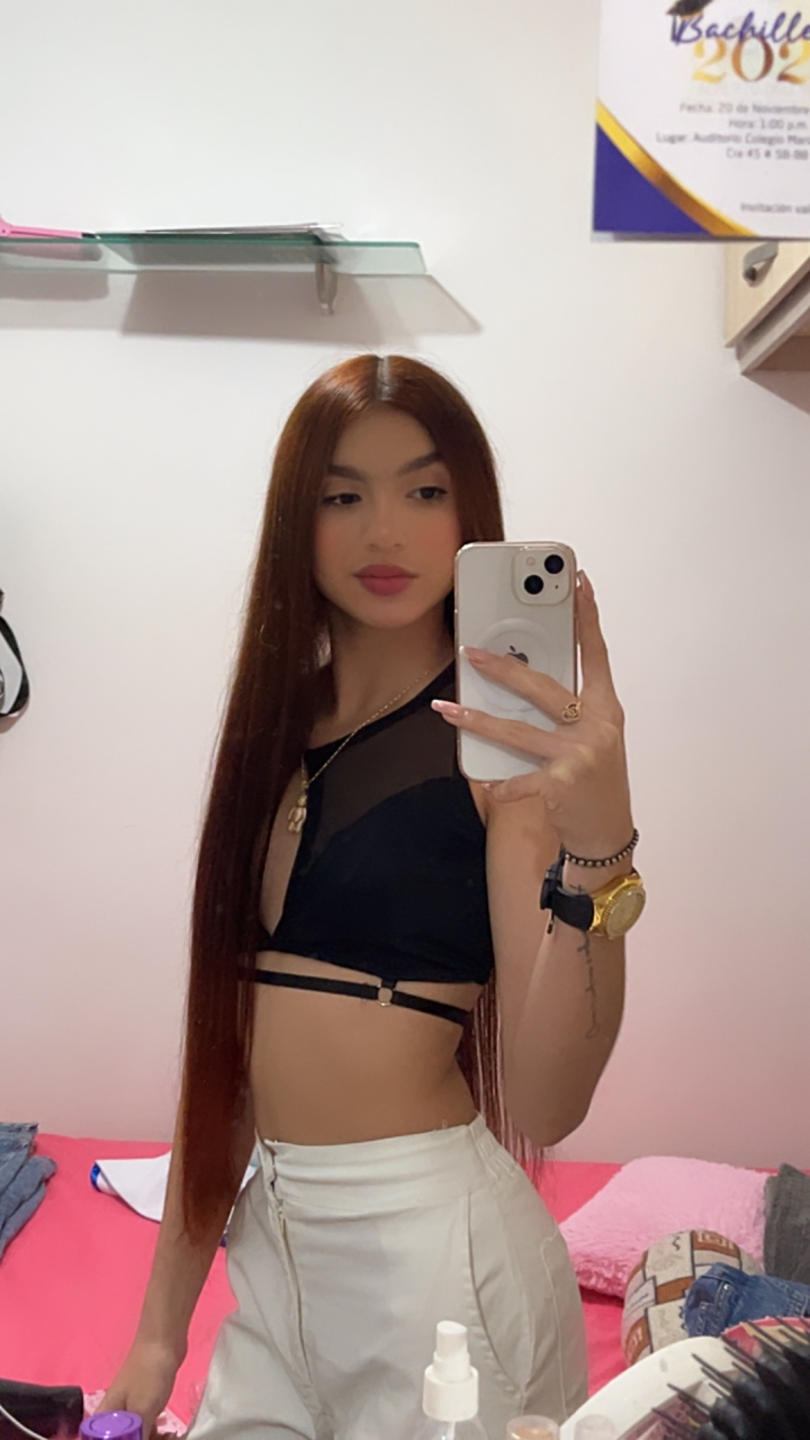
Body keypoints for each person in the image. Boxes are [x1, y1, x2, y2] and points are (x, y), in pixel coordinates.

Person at [101, 354, 644, 1440]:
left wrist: (599, 850)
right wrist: (159, 1334)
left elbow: (548, 1104)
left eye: (424, 490)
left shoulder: (500, 752)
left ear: (471, 512)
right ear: (295, 524)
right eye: (342, 496)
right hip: (273, 1252)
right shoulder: (274, 730)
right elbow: (224, 1069)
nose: (384, 531)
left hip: (440, 1267)